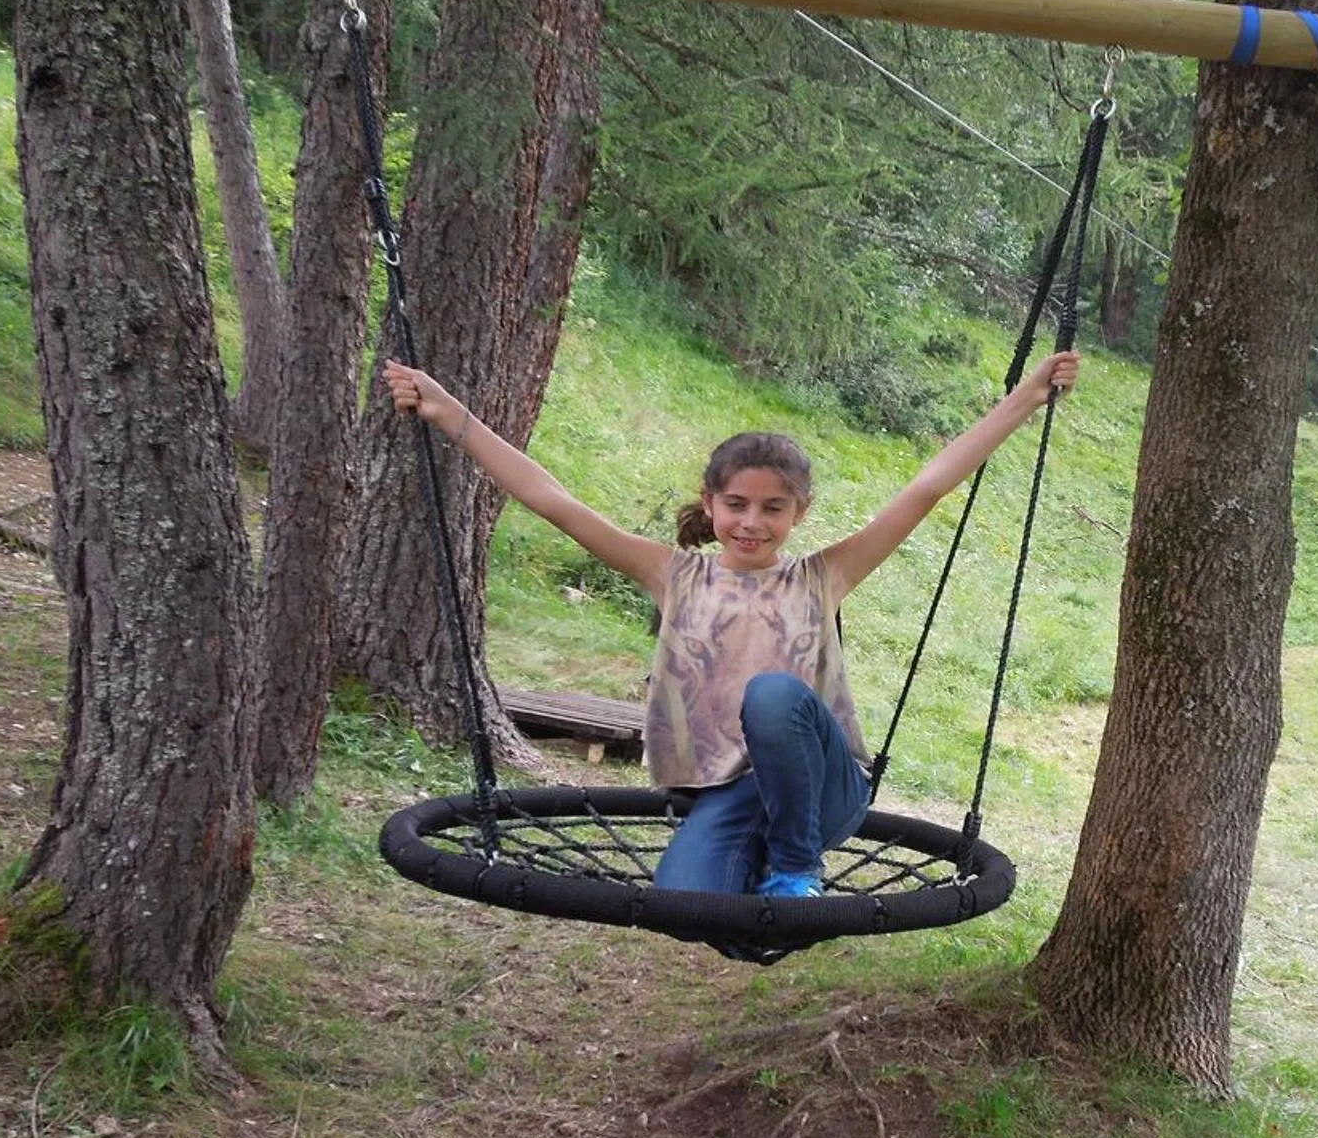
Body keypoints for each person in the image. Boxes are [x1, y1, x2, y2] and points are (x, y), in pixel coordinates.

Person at [377, 349, 1080, 899]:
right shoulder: (674, 574)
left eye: (773, 508)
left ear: (798, 514)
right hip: (730, 794)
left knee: (772, 697)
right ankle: (768, 880)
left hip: (824, 789)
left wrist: (1025, 399)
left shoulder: (823, 576)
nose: (752, 522)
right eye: (737, 504)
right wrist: (449, 414)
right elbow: (551, 499)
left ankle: (798, 866)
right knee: (690, 906)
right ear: (710, 504)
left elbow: (928, 486)